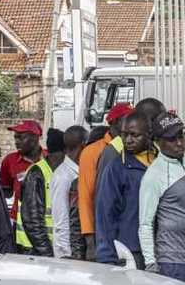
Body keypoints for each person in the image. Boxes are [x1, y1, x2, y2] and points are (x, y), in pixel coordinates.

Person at [138, 113, 185, 285]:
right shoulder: (154, 175)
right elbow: (145, 223)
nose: (179, 143)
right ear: (158, 142)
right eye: (172, 139)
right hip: (171, 260)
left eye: (181, 137)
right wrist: (150, 262)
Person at [95, 111, 154, 266]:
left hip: (158, 249)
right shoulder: (116, 168)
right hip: (130, 252)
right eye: (124, 135)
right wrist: (107, 257)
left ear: (149, 135)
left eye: (134, 135)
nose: (128, 140)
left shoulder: (160, 162)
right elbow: (105, 214)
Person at [79, 103, 133, 260]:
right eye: (127, 119)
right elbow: (86, 197)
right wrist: (90, 242)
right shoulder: (92, 152)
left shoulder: (131, 147)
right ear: (115, 122)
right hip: (102, 234)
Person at [16, 128, 57, 256]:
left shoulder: (52, 167)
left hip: (46, 245)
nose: (16, 142)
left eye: (20, 137)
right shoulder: (36, 173)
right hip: (33, 247)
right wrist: (46, 252)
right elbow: (32, 220)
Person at [51, 125, 90, 259]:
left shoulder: (77, 171)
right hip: (68, 252)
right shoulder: (63, 176)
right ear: (84, 146)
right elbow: (60, 219)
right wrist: (66, 254)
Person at [1, 120, 44, 221]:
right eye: (15, 137)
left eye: (20, 137)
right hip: (19, 221)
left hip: (46, 220)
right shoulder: (9, 161)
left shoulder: (50, 159)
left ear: (35, 138)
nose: (16, 141)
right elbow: (6, 190)